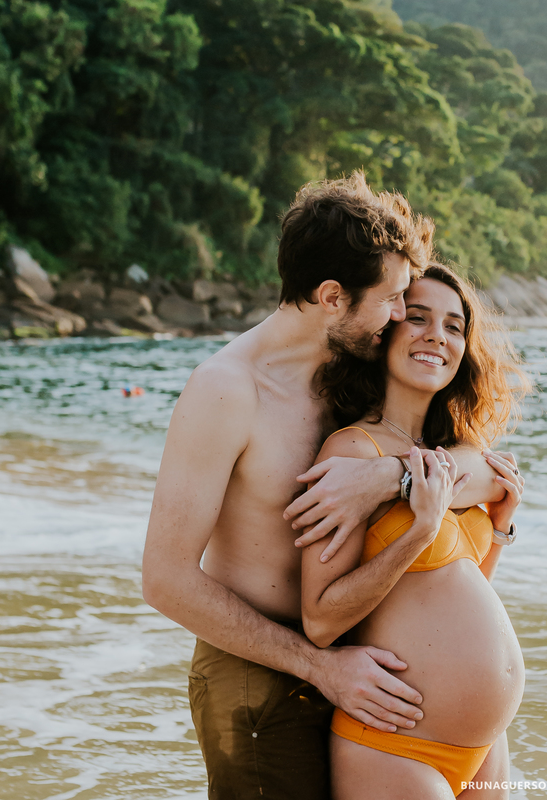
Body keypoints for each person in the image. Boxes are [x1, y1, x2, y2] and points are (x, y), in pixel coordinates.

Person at [141, 174, 507, 799]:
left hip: (357, 663)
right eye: (392, 299)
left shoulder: (348, 371)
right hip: (258, 674)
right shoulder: (228, 390)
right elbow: (165, 579)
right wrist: (318, 665)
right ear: (333, 296)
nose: (399, 316)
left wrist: (386, 477)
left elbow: (476, 464)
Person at [301, 263, 530, 799]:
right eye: (419, 318)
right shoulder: (352, 454)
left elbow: (448, 593)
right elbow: (320, 619)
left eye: (454, 326)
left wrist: (498, 532)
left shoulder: (458, 455)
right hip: (396, 744)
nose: (437, 336)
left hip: (484, 748)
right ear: (386, 334)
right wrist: (417, 532)